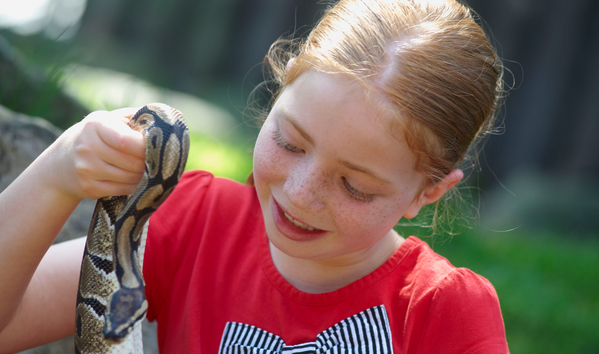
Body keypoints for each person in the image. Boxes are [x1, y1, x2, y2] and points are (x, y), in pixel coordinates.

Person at [0, 0, 509, 352]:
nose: (300, 194)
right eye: (290, 143)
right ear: (276, 96)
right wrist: (57, 172)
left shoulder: (442, 312)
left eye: (356, 187)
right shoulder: (197, 223)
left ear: (429, 191)